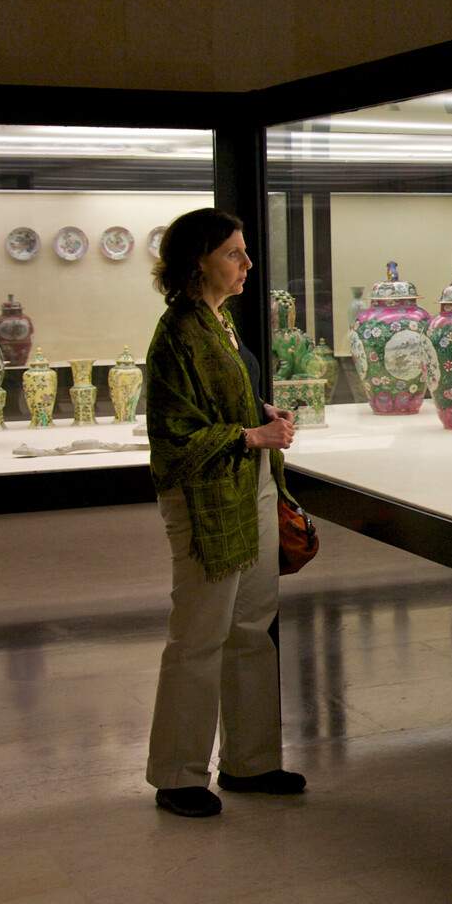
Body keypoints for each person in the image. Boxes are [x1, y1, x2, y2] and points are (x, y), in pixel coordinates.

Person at [143, 208, 303, 818]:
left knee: (251, 626)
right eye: (234, 253)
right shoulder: (178, 332)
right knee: (200, 633)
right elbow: (174, 437)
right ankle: (179, 774)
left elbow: (229, 397)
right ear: (198, 261)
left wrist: (264, 416)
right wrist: (251, 437)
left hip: (250, 485)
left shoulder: (221, 322)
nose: (247, 264)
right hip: (206, 497)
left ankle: (251, 761)